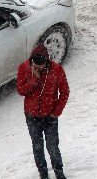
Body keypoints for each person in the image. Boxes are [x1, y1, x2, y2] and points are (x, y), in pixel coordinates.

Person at [17, 44, 70, 179]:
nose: (39, 67)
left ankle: (59, 172)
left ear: (47, 61)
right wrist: (34, 79)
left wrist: (56, 112)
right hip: (32, 115)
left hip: (50, 116)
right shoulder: (24, 68)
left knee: (53, 147)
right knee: (37, 147)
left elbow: (64, 92)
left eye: (42, 65)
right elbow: (21, 90)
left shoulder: (56, 70)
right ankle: (43, 173)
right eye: (36, 64)